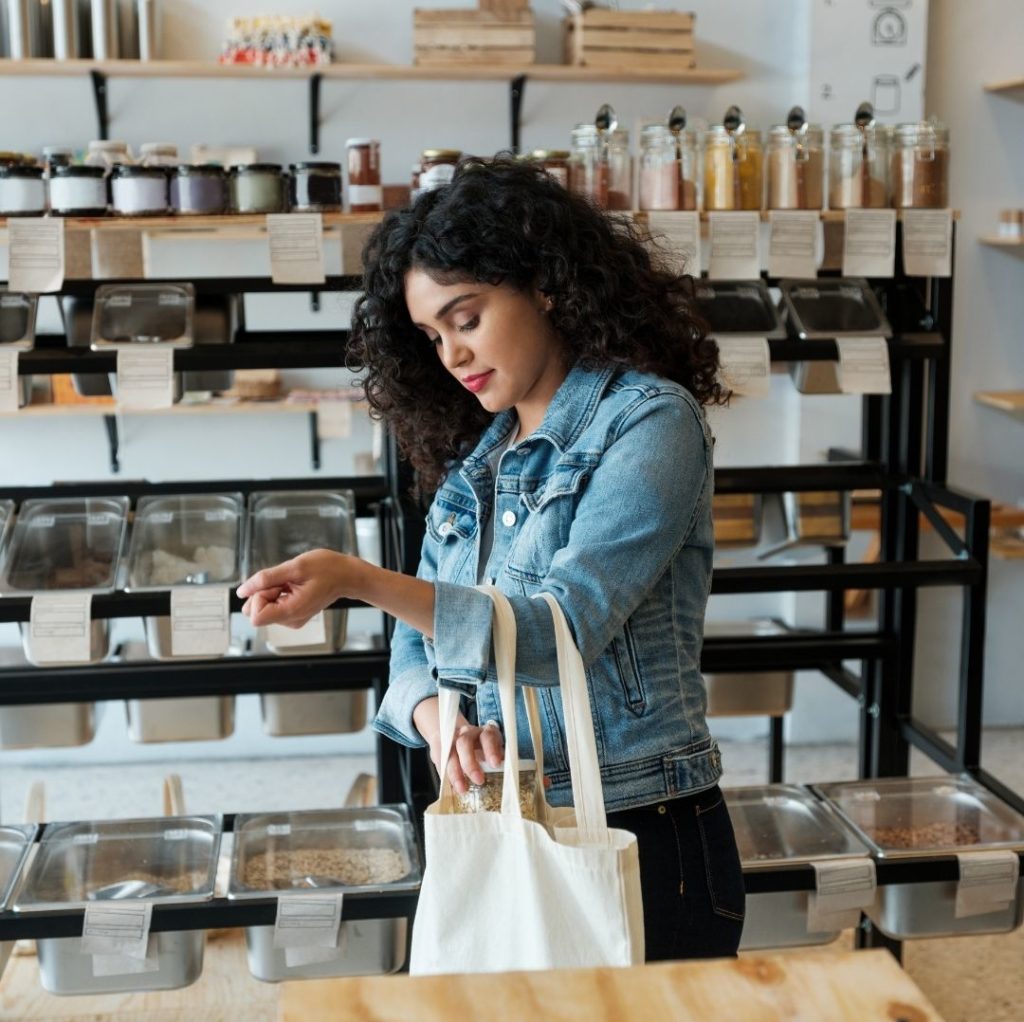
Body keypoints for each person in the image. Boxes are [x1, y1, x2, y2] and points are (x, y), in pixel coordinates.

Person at [238, 156, 745, 960]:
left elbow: (555, 634)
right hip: (503, 817)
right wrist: (446, 725)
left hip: (641, 828)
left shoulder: (653, 425)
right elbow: (415, 651)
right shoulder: (477, 468)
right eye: (432, 336)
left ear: (544, 284)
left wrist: (357, 580)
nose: (451, 355)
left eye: (465, 319)